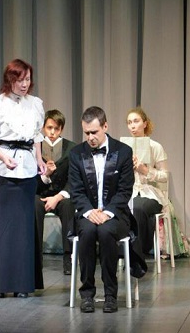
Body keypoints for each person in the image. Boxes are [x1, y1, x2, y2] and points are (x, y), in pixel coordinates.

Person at [0, 58, 46, 299]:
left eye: (27, 79)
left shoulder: (35, 104)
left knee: (23, 228)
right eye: (20, 80)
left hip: (26, 169)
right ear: (10, 80)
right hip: (3, 171)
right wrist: (3, 157)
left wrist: (39, 159)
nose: (24, 84)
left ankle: (22, 284)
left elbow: (36, 136)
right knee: (2, 228)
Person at [69, 106, 135, 313]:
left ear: (105, 126)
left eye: (94, 132)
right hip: (87, 213)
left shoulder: (123, 152)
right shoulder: (76, 154)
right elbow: (76, 191)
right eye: (86, 133)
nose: (90, 138)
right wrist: (91, 212)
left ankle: (110, 295)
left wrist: (106, 213)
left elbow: (125, 191)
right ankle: (87, 295)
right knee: (88, 231)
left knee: (106, 232)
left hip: (115, 214)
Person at [125, 107, 188, 262]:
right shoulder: (124, 148)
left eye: (136, 121)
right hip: (130, 191)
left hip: (150, 193)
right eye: (129, 122)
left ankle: (138, 254)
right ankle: (122, 252)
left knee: (138, 207)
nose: (132, 126)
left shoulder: (155, 147)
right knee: (122, 206)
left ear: (145, 123)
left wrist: (145, 170)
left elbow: (164, 176)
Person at [35, 109, 76, 275]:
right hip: (40, 193)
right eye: (49, 128)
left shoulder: (71, 148)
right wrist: (46, 175)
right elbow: (32, 181)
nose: (52, 132)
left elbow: (74, 179)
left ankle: (69, 258)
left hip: (61, 195)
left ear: (61, 129)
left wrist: (57, 197)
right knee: (34, 206)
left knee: (68, 206)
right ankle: (35, 259)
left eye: (56, 129)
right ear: (43, 128)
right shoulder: (35, 147)